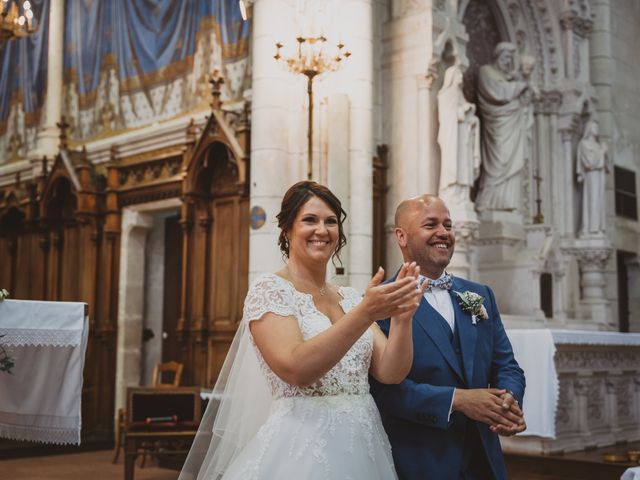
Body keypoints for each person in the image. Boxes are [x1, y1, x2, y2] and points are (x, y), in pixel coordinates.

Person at [179, 181, 427, 480]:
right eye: (310, 220)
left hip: (363, 443)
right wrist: (365, 313)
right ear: (287, 229)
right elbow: (296, 368)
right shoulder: (270, 290)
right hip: (300, 448)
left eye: (331, 221)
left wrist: (403, 319)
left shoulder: (348, 297)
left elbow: (391, 371)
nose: (322, 230)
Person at [371, 194, 527, 480]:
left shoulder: (479, 294)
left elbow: (507, 365)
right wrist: (458, 400)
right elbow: (382, 391)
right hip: (419, 461)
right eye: (431, 225)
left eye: (448, 225)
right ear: (401, 236)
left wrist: (508, 401)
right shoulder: (379, 301)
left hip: (484, 459)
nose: (444, 233)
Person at [475, 42, 533, 213]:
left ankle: (508, 203)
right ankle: (488, 201)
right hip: (498, 126)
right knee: (499, 160)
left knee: (514, 162)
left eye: (510, 59)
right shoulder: (486, 72)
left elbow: (522, 100)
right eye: (506, 57)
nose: (508, 62)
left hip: (513, 126)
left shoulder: (511, 78)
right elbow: (499, 93)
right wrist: (521, 85)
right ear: (498, 56)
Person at [437, 64, 481, 212]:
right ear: (451, 77)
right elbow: (446, 116)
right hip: (452, 139)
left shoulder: (460, 95)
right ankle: (452, 194)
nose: (461, 77)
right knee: (453, 167)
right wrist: (463, 111)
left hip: (464, 140)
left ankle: (463, 196)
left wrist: (473, 120)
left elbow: (466, 117)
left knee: (463, 167)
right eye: (458, 74)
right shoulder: (445, 95)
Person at [577, 118, 608, 236]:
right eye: (595, 127)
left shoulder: (597, 145)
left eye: (597, 127)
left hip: (599, 174)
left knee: (599, 201)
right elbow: (589, 162)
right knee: (593, 199)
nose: (597, 130)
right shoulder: (584, 143)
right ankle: (591, 229)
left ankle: (599, 228)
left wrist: (603, 152)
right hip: (592, 175)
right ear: (589, 129)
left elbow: (605, 164)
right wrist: (602, 152)